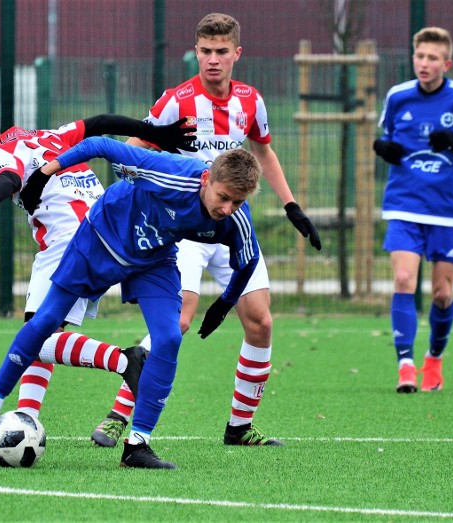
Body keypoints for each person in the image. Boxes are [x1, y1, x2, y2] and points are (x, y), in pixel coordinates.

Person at [90, 12, 321, 449]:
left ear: (237, 53)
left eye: (221, 52)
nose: (213, 60)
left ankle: (238, 427)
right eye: (205, 52)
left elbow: (263, 153)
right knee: (176, 321)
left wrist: (291, 205)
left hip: (232, 226)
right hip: (184, 229)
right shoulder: (177, 101)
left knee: (261, 322)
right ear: (196, 52)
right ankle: (120, 414)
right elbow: (136, 147)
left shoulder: (251, 101)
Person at [0, 139, 263, 469]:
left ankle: (137, 447)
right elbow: (100, 143)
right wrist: (45, 173)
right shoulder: (168, 173)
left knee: (169, 338)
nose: (227, 208)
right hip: (98, 241)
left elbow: (248, 262)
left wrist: (225, 302)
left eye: (238, 201)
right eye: (223, 197)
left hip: (153, 260)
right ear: (207, 179)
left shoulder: (235, 219)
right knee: (46, 321)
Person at [0, 112, 194, 430]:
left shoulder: (2, 149)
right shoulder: (49, 134)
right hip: (107, 229)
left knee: (35, 337)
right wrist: (155, 133)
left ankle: (125, 361)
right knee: (42, 328)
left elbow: (8, 178)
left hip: (69, 242)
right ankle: (27, 417)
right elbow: (100, 123)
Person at [372, 27, 453, 393]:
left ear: (447, 63)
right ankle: (405, 366)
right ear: (414, 58)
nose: (425, 64)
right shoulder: (398, 96)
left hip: (447, 209)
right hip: (405, 203)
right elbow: (388, 137)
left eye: (433, 58)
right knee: (404, 280)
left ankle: (433, 361)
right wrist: (384, 148)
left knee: (442, 293)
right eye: (420, 56)